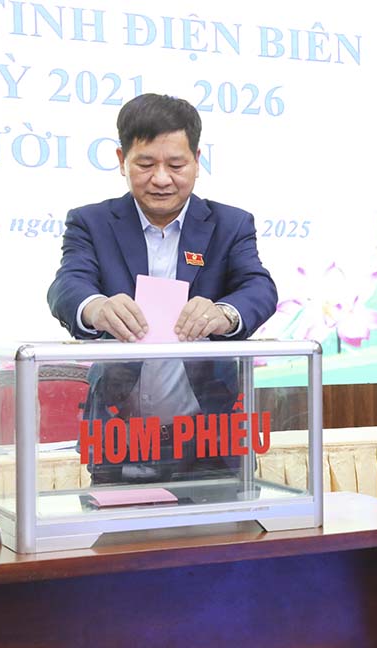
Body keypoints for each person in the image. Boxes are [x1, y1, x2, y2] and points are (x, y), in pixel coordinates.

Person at [47, 93, 277, 483]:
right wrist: (96, 307)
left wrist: (224, 314)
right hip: (121, 440)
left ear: (197, 161)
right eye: (145, 164)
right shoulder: (92, 223)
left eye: (176, 165)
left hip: (211, 439)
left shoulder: (231, 224)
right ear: (121, 160)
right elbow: (67, 285)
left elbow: (258, 287)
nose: (161, 179)